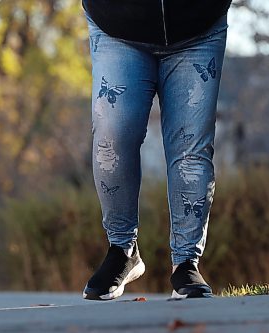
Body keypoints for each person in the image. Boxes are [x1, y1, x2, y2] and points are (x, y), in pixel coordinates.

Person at [81, 0, 232, 300]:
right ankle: (123, 249)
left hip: (198, 27)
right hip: (116, 25)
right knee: (113, 135)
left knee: (192, 149)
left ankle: (187, 261)